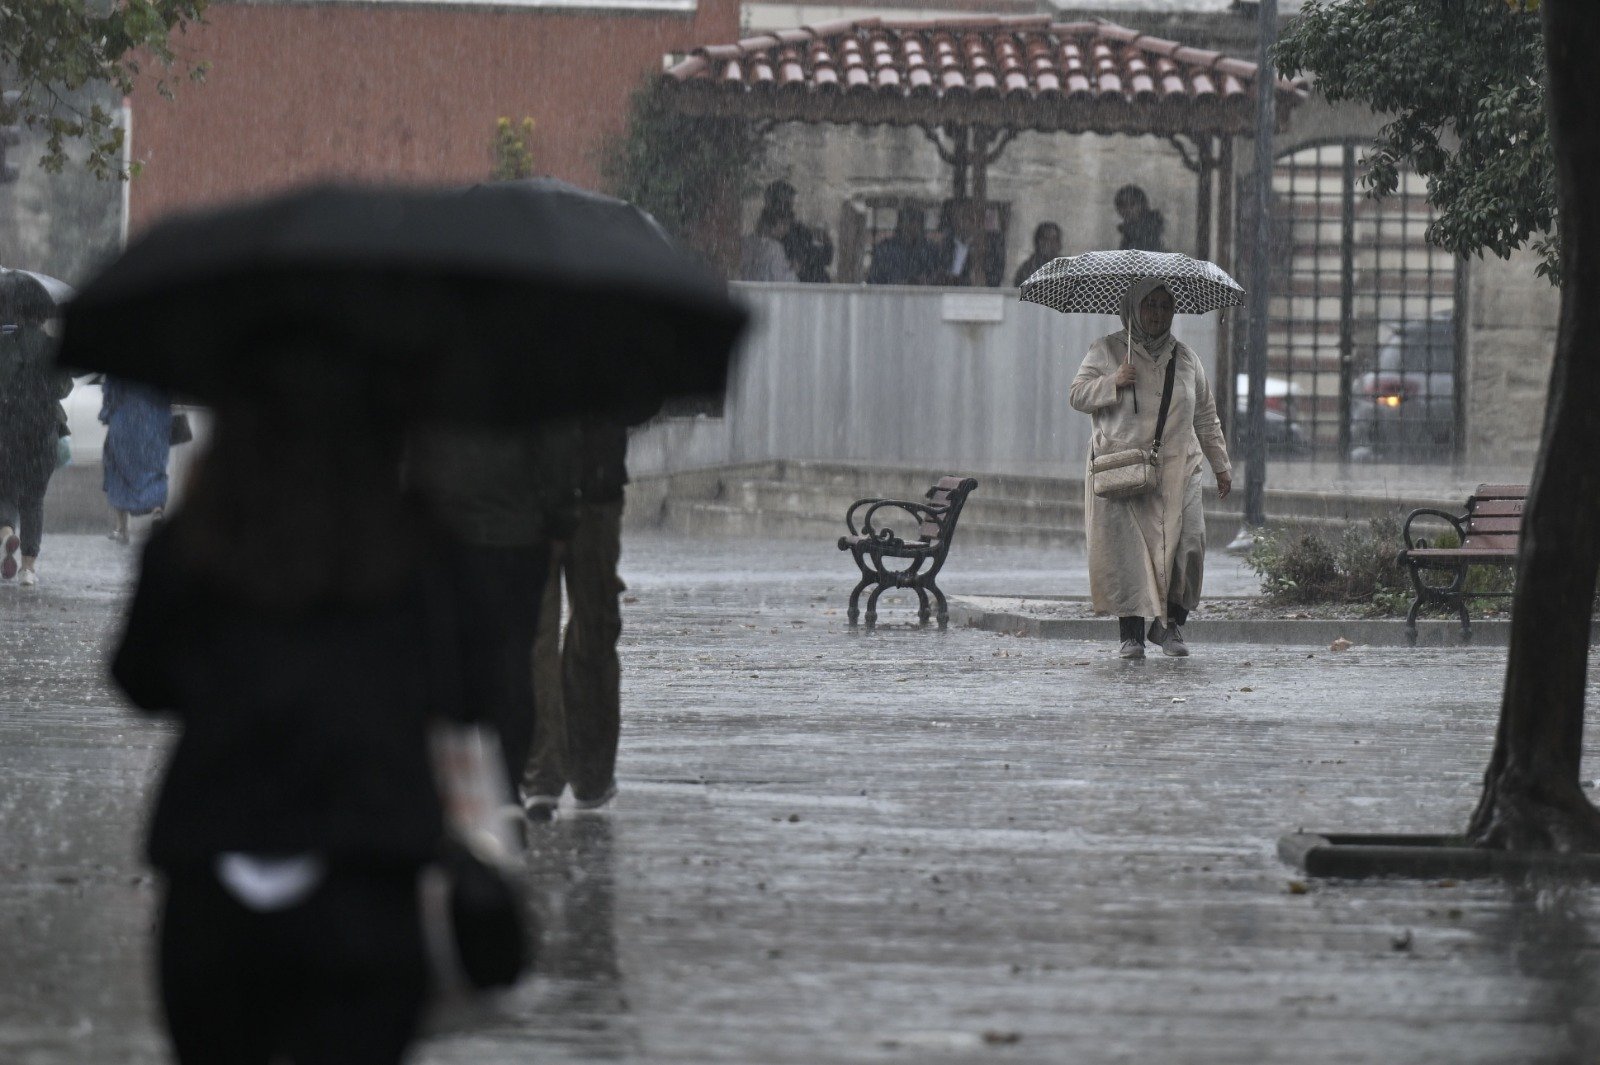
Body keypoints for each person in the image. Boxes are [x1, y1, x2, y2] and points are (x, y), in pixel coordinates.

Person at [111, 375, 483, 1065]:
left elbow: (138, 677)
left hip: (217, 870)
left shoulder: (198, 542)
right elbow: (473, 691)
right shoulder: (415, 546)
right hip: (368, 873)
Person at [408, 421, 579, 790]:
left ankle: (461, 782)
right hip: (516, 535)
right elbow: (554, 450)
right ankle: (508, 779)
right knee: (515, 662)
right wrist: (559, 520)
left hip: (452, 531)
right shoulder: (521, 374)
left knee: (449, 658)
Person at [1068, 279, 1231, 659]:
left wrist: (1220, 464)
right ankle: (1132, 635)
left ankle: (1171, 625)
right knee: (1128, 555)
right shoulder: (1108, 349)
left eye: (1165, 306)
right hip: (1124, 468)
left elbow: (1206, 414)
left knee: (1188, 547)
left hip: (1180, 468)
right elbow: (1076, 395)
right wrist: (1112, 382)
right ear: (1133, 308)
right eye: (1150, 305)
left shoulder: (1186, 358)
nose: (1158, 314)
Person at [522, 406, 654, 822]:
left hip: (588, 487)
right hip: (541, 491)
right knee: (545, 632)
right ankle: (547, 774)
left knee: (590, 626)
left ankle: (581, 771)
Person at [0, 272, 72, 588]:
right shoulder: (55, 348)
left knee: (5, 491)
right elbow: (63, 387)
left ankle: (6, 533)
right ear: (44, 314)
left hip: (8, 429)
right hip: (42, 430)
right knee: (34, 499)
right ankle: (29, 567)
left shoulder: (5, 344)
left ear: (14, 311)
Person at [100, 374, 173, 543]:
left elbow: (111, 393)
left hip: (124, 421)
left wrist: (106, 413)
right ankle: (157, 510)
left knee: (118, 470)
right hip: (155, 422)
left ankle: (122, 528)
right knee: (154, 469)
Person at [763, 180, 834, 282]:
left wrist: (826, 242)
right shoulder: (776, 234)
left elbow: (824, 257)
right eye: (789, 204)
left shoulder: (798, 230)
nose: (792, 209)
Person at [931, 198, 1004, 287]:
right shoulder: (941, 245)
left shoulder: (991, 247)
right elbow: (935, 279)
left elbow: (994, 279)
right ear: (953, 218)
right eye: (962, 217)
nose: (966, 222)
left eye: (970, 217)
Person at [866, 205, 938, 285]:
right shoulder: (885, 249)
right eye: (910, 221)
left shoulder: (928, 250)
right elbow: (874, 281)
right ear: (900, 223)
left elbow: (934, 278)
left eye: (918, 221)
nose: (913, 226)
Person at [739, 207, 798, 283]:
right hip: (765, 292)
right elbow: (780, 279)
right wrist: (793, 270)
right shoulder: (775, 248)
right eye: (784, 224)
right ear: (774, 224)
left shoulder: (745, 242)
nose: (787, 229)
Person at [1115, 185, 1167, 252]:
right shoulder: (1129, 231)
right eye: (1122, 205)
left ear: (1143, 205)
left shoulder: (1148, 230)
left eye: (1132, 204)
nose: (1127, 209)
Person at [1012, 221, 1063, 287]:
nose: (1050, 244)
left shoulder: (1067, 266)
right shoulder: (1027, 269)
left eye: (1054, 239)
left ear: (1059, 244)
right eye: (1046, 239)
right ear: (1038, 242)